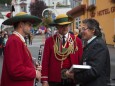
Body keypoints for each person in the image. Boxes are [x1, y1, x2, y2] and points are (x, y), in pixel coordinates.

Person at [1, 12, 42, 86]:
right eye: (29, 24)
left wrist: (32, 65)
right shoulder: (14, 41)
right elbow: (15, 70)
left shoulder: (17, 40)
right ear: (21, 25)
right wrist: (35, 73)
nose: (31, 27)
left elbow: (21, 61)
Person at [66, 19, 110, 86]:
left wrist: (74, 76)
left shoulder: (98, 45)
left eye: (84, 29)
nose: (81, 32)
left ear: (93, 30)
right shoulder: (92, 43)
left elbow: (94, 71)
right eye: (81, 29)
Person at [41, 14, 83, 86]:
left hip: (72, 78)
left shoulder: (77, 41)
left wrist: (80, 78)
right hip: (54, 79)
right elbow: (45, 61)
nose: (65, 28)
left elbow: (81, 61)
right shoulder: (49, 41)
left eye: (66, 25)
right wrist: (44, 80)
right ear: (57, 26)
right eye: (62, 26)